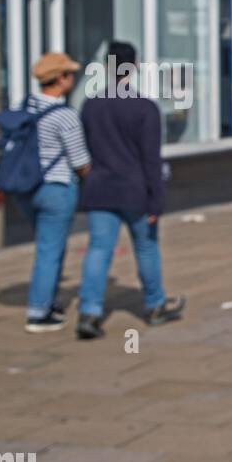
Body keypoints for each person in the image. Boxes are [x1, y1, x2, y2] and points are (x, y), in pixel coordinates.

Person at [74, 41, 185, 340]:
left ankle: (90, 312)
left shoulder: (90, 105)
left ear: (108, 67)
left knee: (99, 249)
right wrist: (157, 200)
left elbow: (84, 149)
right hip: (136, 190)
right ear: (133, 67)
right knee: (146, 247)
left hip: (100, 188)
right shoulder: (144, 108)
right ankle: (154, 305)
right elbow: (152, 160)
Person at [0, 53, 91, 333]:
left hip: (25, 191)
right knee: (50, 249)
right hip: (56, 190)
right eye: (69, 74)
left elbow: (6, 149)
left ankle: (50, 301)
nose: (72, 78)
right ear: (60, 79)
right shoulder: (65, 116)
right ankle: (38, 312)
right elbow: (80, 160)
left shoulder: (23, 107)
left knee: (49, 245)